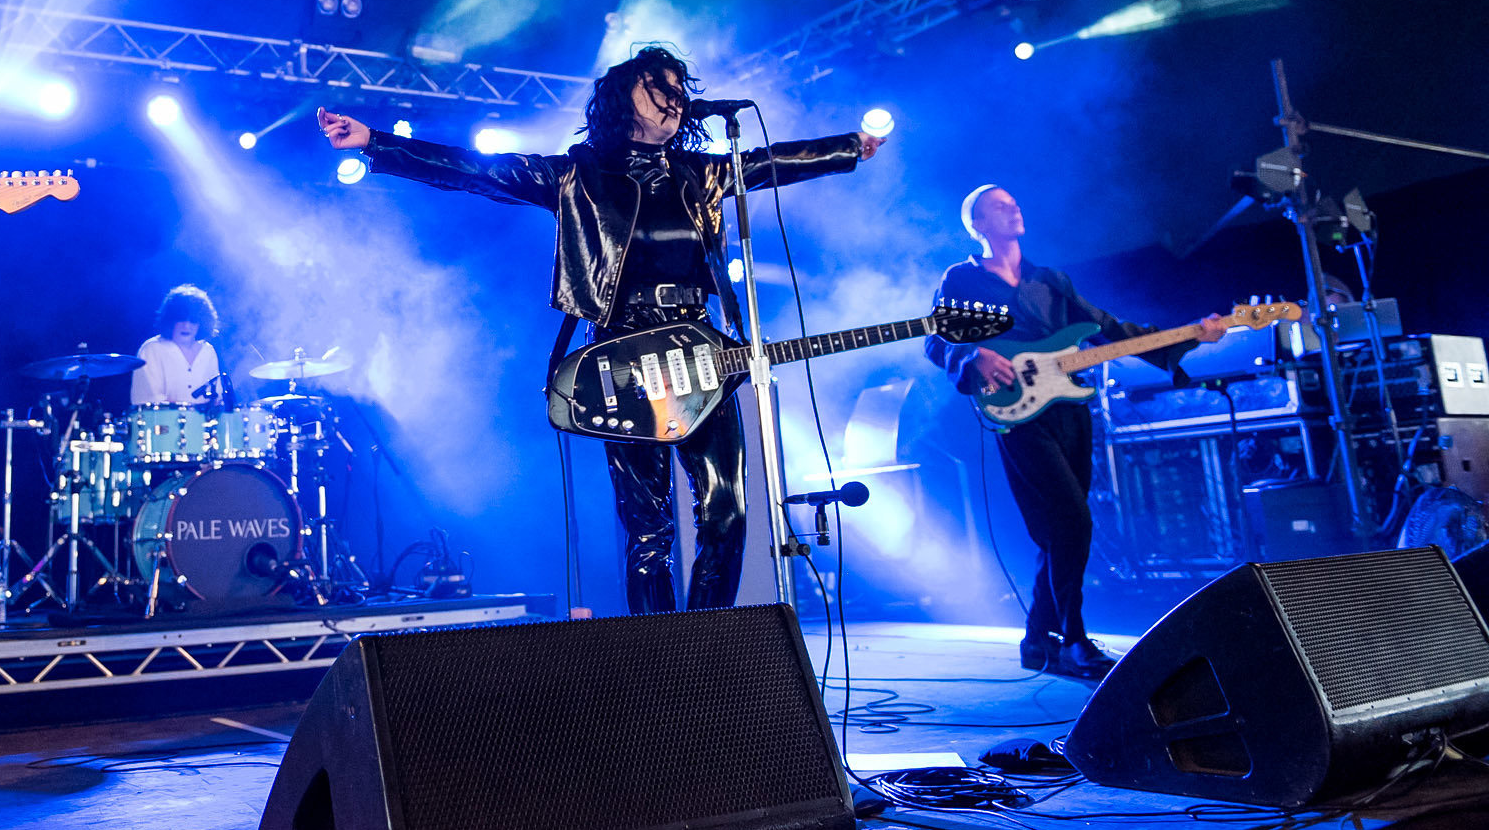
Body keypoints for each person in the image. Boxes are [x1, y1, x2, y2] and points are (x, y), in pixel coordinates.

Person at [319, 45, 880, 614]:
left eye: (679, 84)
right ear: (622, 100)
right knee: (650, 528)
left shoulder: (702, 176)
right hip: (625, 358)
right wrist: (376, 143)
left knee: (728, 514)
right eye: (658, 84)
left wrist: (847, 148)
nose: (674, 95)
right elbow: (475, 170)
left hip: (700, 347)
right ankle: (659, 657)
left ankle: (709, 643)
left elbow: (773, 161)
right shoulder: (576, 176)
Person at [925, 184, 1224, 679]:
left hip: (1069, 409)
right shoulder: (963, 279)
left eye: (1014, 201)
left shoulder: (1051, 280)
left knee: (1061, 529)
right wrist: (972, 354)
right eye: (998, 206)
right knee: (1072, 520)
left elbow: (1110, 328)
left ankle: (1036, 637)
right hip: (1017, 411)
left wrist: (1190, 333)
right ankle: (1075, 639)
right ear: (976, 224)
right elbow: (938, 339)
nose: (1014, 207)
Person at [131, 283, 224, 405]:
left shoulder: (208, 351)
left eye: (193, 320)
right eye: (181, 319)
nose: (186, 326)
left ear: (202, 323)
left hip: (204, 423)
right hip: (162, 423)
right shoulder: (152, 349)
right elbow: (149, 401)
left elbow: (217, 396)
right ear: (170, 320)